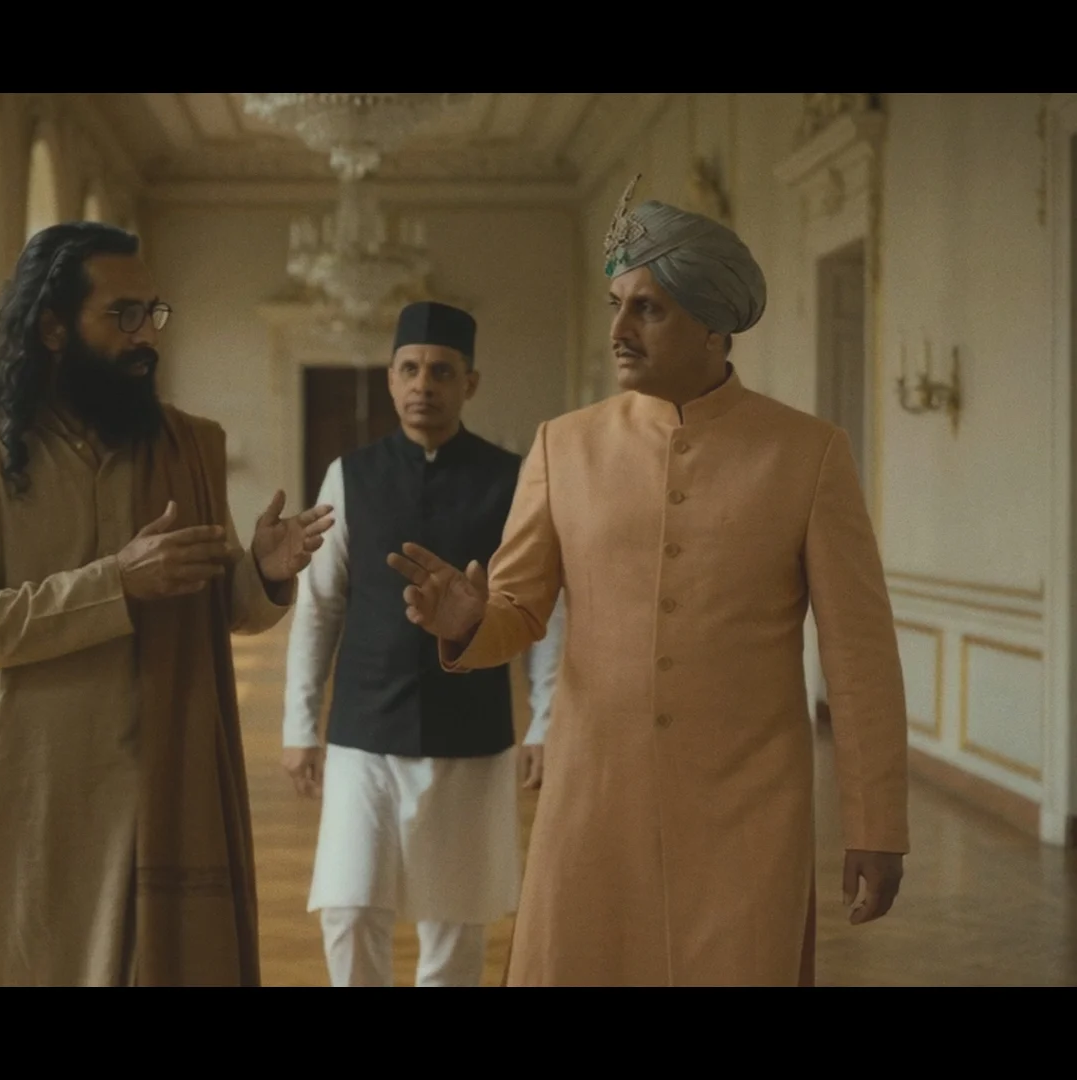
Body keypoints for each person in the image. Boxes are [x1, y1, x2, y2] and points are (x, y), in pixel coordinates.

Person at [387, 178, 910, 986]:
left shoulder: (808, 454)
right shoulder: (564, 446)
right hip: (594, 798)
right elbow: (517, 609)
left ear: (713, 326)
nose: (619, 330)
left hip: (748, 810)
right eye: (615, 305)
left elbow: (860, 655)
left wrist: (876, 824)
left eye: (648, 309)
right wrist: (466, 621)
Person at [0, 221, 334, 986]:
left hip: (161, 797)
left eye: (153, 313)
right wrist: (116, 583)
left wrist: (263, 574)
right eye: (122, 315)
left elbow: (220, 607)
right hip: (29, 801)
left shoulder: (184, 448)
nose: (147, 335)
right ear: (51, 327)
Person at [281, 302, 567, 987]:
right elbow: (319, 607)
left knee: (455, 922)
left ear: (470, 382)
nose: (423, 385)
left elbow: (544, 613)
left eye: (441, 371)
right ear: (390, 379)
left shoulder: (513, 478)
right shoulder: (349, 475)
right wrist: (298, 726)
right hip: (363, 727)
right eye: (409, 369)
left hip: (471, 731)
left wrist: (547, 721)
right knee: (349, 909)